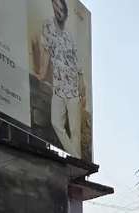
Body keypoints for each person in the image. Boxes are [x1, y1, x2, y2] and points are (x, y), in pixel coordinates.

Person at [31, 0, 84, 156]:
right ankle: (76, 156)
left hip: (73, 88)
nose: (58, 12)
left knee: (75, 129)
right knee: (56, 123)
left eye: (61, 9)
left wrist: (82, 83)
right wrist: (41, 72)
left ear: (65, 11)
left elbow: (76, 61)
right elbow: (46, 52)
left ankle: (76, 158)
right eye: (55, 9)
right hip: (59, 88)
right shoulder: (48, 26)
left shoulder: (69, 36)